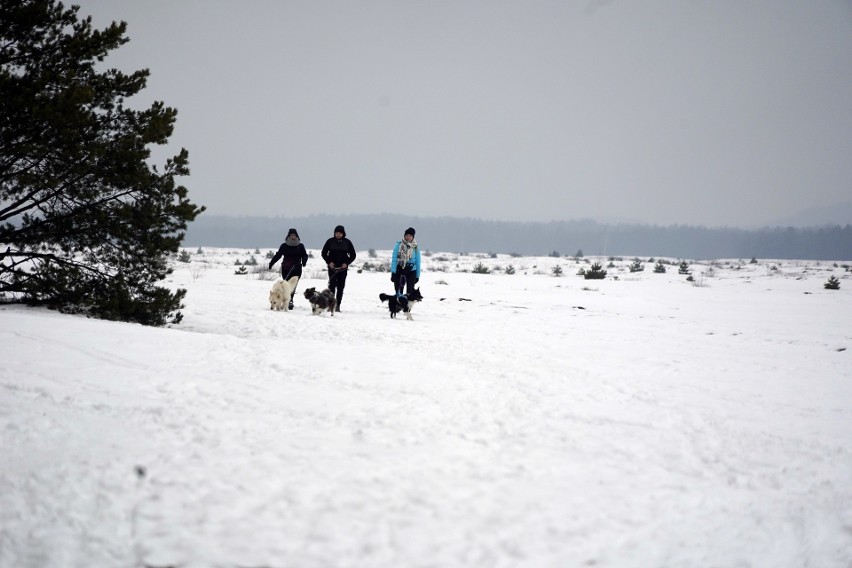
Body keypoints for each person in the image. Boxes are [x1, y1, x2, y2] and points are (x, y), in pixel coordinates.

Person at [268, 228, 308, 310]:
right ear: (289, 236)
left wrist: (304, 261)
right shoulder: (284, 245)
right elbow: (278, 255)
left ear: (297, 236)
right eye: (291, 235)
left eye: (294, 235)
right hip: (286, 268)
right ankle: (283, 300)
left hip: (297, 268)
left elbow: (304, 255)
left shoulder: (300, 246)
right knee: (286, 286)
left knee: (293, 286)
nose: (293, 237)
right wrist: (271, 263)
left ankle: (290, 300)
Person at [321, 225, 356, 312]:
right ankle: (330, 304)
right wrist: (329, 262)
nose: (338, 235)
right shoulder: (330, 241)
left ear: (343, 234)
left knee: (340, 287)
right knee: (332, 287)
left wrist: (346, 263)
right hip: (332, 268)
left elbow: (353, 255)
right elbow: (324, 253)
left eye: (340, 233)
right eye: (336, 233)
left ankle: (338, 305)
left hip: (342, 269)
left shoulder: (347, 242)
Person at [390, 227, 421, 295]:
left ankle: (407, 305)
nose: (408, 237)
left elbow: (418, 262)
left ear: (413, 237)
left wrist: (417, 276)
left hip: (411, 270)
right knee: (398, 290)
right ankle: (398, 304)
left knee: (410, 292)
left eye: (410, 236)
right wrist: (393, 272)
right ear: (404, 236)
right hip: (400, 269)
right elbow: (394, 259)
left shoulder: (415, 247)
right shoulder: (398, 245)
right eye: (406, 235)